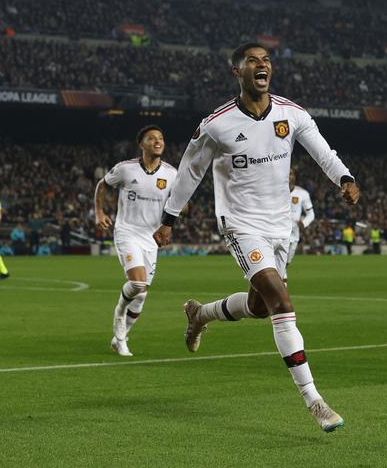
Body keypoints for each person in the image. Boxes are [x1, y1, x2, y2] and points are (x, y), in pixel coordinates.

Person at [152, 43, 360, 432]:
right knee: (280, 300)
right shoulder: (217, 124)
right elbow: (189, 173)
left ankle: (200, 314)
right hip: (240, 224)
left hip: (280, 226)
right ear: (237, 72)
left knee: (261, 306)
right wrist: (169, 219)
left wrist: (345, 178)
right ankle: (314, 400)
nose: (262, 65)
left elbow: (323, 152)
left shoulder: (291, 114)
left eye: (266, 60)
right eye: (253, 61)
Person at [94, 125, 177, 357]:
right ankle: (120, 322)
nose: (157, 141)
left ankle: (120, 337)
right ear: (142, 144)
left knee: (141, 296)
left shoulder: (171, 174)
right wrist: (99, 213)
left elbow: (178, 201)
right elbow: (103, 185)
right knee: (138, 284)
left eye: (160, 138)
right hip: (127, 232)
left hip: (151, 238)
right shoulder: (125, 169)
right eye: (152, 138)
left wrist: (170, 223)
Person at [287, 167, 314, 267]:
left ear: (294, 177)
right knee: (274, 267)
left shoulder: (302, 194)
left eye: (291, 174)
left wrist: (304, 223)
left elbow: (311, 214)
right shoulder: (273, 192)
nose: (288, 176)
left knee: (284, 266)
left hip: (293, 235)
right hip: (275, 234)